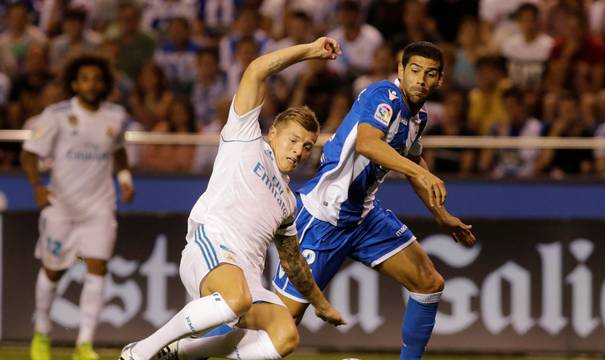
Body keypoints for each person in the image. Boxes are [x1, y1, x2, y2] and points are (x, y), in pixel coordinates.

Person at [120, 37, 346, 360]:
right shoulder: (245, 137)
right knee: (236, 301)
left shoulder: (288, 202)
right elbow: (256, 70)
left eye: (307, 147)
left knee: (284, 335)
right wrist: (309, 51)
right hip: (211, 245)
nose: (299, 151)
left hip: (246, 278)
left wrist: (322, 305)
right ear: (273, 133)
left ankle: (178, 353)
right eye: (294, 139)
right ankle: (140, 353)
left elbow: (293, 262)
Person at [272, 41, 477, 360]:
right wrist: (420, 173)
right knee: (280, 326)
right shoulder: (383, 96)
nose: (421, 79)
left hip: (364, 217)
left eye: (430, 73)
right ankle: (197, 346)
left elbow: (413, 161)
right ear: (400, 71)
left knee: (429, 282)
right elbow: (368, 143)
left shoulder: (417, 117)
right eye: (415, 70)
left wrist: (441, 215)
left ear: (439, 81)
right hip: (324, 217)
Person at [21, 54, 135, 360]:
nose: (92, 84)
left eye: (97, 79)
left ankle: (84, 344)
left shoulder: (116, 116)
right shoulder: (55, 114)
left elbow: (119, 150)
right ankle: (42, 332)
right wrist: (38, 187)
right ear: (74, 82)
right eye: (85, 78)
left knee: (97, 268)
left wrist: (124, 179)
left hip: (99, 207)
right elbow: (29, 153)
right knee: (53, 271)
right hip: (61, 207)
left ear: (105, 83)